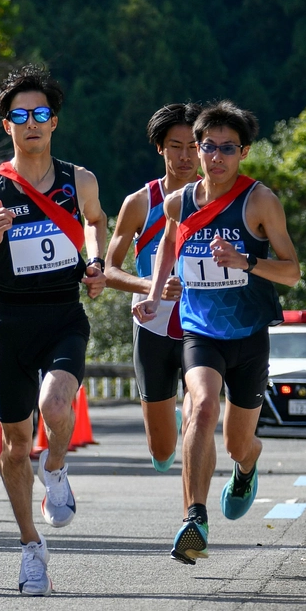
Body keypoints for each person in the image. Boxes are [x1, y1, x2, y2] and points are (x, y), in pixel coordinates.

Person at [0, 65, 107, 595]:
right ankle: (29, 547)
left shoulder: (78, 180)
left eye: (41, 114)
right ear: (7, 123)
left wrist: (96, 261)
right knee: (15, 447)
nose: (31, 123)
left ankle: (56, 465)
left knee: (56, 408)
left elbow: (94, 223)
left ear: (54, 122)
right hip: (10, 321)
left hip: (63, 314)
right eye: (20, 115)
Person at [134, 100, 300, 566]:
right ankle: (194, 517)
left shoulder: (259, 200)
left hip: (248, 335)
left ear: (244, 152)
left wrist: (245, 261)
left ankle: (247, 466)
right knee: (202, 406)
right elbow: (169, 241)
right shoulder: (179, 202)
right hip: (199, 332)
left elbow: (292, 272)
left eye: (229, 148)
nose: (216, 157)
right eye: (209, 146)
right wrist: (155, 290)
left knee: (236, 442)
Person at [105, 104, 200, 472]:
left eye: (194, 146)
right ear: (160, 148)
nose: (185, 156)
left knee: (201, 414)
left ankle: (195, 509)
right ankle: (169, 426)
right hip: (153, 324)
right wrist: (153, 288)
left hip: (203, 324)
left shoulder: (222, 200)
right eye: (175, 146)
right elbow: (109, 270)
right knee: (161, 454)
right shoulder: (141, 202)